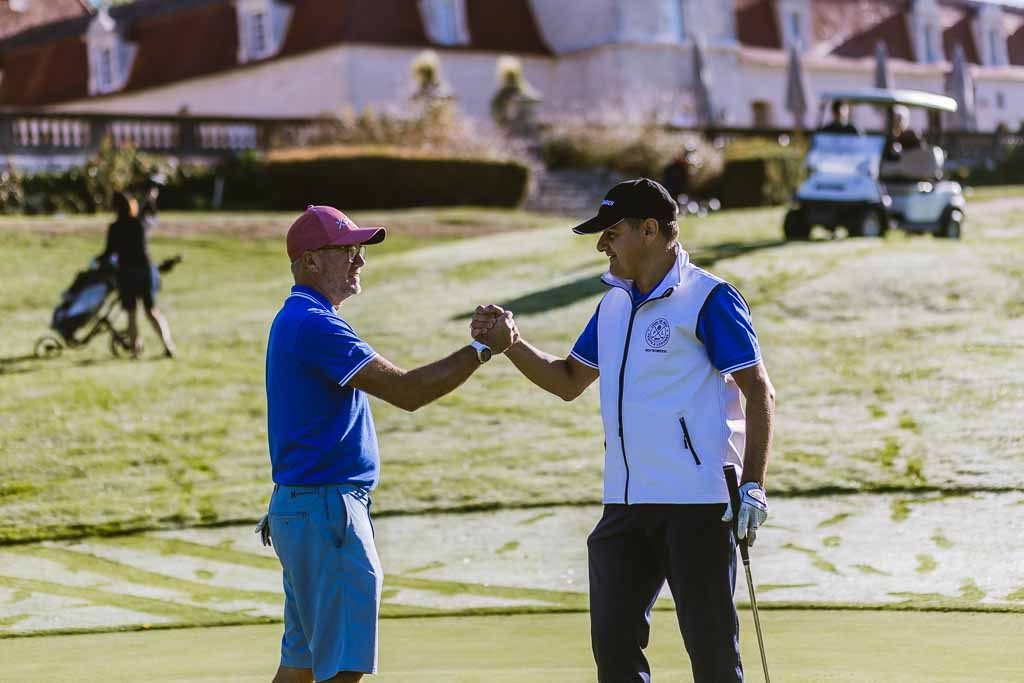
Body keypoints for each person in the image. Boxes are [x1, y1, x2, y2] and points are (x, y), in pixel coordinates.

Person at [472, 178, 775, 683]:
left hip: (698, 506)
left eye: (611, 232)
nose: (601, 245)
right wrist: (513, 344)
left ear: (650, 230)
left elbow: (759, 392)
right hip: (625, 505)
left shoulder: (709, 299)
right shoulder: (611, 305)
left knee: (713, 653)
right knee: (613, 649)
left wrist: (753, 484)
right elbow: (569, 380)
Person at [262, 205, 516, 683]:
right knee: (342, 670)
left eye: (360, 250)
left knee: (300, 668)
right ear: (311, 261)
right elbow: (408, 391)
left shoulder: (298, 317)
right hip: (327, 509)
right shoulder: (316, 323)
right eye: (347, 250)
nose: (359, 260)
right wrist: (484, 350)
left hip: (305, 505)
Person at [98, 191, 176, 358]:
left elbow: (109, 252)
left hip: (126, 273)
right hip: (144, 272)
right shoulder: (138, 224)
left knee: (132, 314)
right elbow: (150, 216)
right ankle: (168, 345)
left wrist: (97, 261)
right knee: (151, 311)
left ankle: (135, 351)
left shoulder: (115, 228)